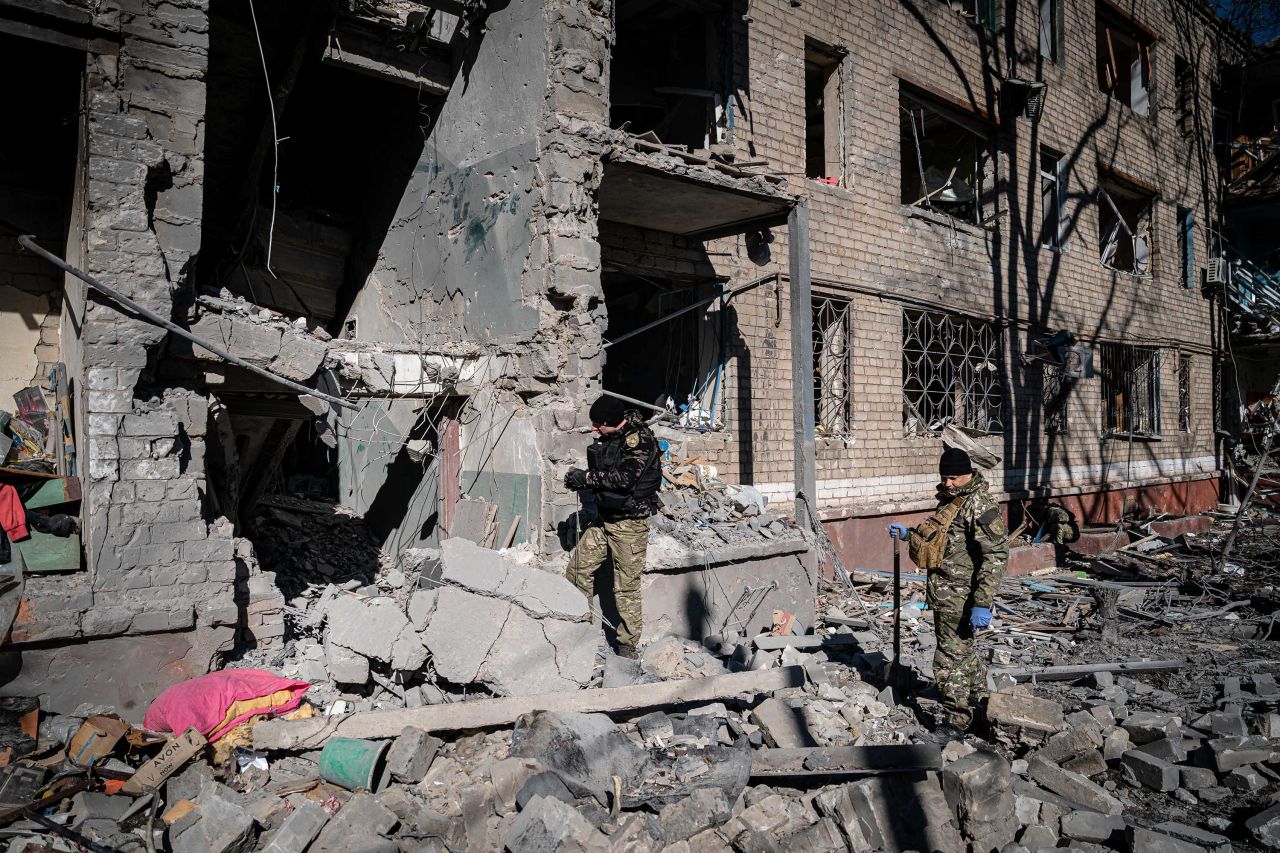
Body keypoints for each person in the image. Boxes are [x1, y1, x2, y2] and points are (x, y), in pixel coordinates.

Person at [562, 395, 662, 659]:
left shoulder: (639, 440)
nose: (595, 429)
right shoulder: (613, 437)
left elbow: (624, 479)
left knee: (626, 586)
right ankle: (578, 628)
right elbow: (606, 469)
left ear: (610, 422)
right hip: (604, 520)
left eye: (598, 425)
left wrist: (586, 478)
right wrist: (581, 478)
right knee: (577, 570)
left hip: (629, 525)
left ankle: (627, 644)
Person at [923, 446, 1008, 738]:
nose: (947, 483)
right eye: (944, 477)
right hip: (945, 592)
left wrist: (982, 602)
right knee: (963, 653)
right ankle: (979, 706)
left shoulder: (978, 504)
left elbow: (996, 554)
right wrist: (910, 535)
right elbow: (946, 541)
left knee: (948, 658)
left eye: (954, 477)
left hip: (961, 597)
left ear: (968, 474)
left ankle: (955, 722)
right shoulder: (953, 500)